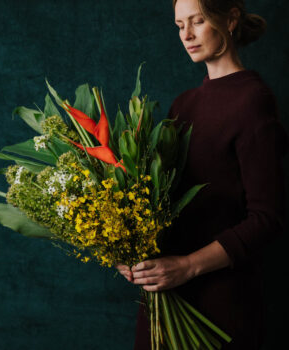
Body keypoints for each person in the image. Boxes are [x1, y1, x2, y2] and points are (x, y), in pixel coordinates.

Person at [116, 0, 289, 349]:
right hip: (164, 297)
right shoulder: (183, 104)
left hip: (220, 303)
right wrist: (129, 250)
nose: (187, 35)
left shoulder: (253, 100)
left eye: (198, 21)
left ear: (230, 18)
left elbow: (267, 218)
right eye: (180, 25)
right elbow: (162, 199)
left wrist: (189, 266)